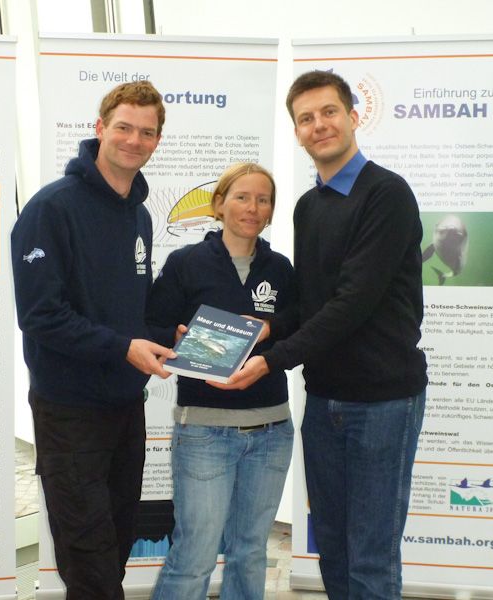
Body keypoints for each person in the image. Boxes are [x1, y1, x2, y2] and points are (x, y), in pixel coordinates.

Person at [217, 71, 428, 599]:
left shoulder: (386, 194)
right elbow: (313, 301)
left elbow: (352, 303)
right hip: (325, 399)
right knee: (332, 544)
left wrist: (271, 359)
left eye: (329, 112)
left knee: (371, 555)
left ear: (353, 117)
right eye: (306, 118)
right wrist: (263, 330)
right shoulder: (308, 207)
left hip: (383, 401)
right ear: (297, 132)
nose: (319, 125)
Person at [10, 80, 175, 600]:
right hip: (69, 412)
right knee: (89, 560)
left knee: (115, 547)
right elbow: (40, 316)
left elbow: (128, 313)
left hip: (125, 407)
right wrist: (123, 348)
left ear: (156, 140)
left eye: (146, 132)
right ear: (100, 128)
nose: (134, 140)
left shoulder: (139, 215)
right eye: (124, 127)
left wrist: (167, 335)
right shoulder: (51, 208)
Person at [147, 163, 297, 600]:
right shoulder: (186, 263)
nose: (253, 208)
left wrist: (270, 327)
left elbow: (302, 325)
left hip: (271, 431)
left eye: (263, 200)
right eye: (242, 197)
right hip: (205, 432)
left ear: (271, 211)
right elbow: (153, 325)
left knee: (250, 553)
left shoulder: (280, 268)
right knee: (194, 556)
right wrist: (175, 337)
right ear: (219, 204)